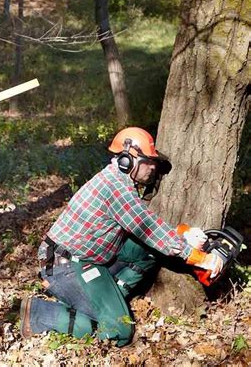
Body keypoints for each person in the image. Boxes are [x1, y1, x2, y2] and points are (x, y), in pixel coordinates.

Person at [19, 127, 223, 346]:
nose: (153, 168)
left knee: (148, 251)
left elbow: (149, 233)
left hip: (90, 258)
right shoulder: (115, 188)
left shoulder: (120, 183)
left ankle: (109, 300)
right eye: (148, 161)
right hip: (65, 265)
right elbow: (149, 228)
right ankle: (39, 313)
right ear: (128, 159)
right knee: (119, 331)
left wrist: (182, 236)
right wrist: (201, 258)